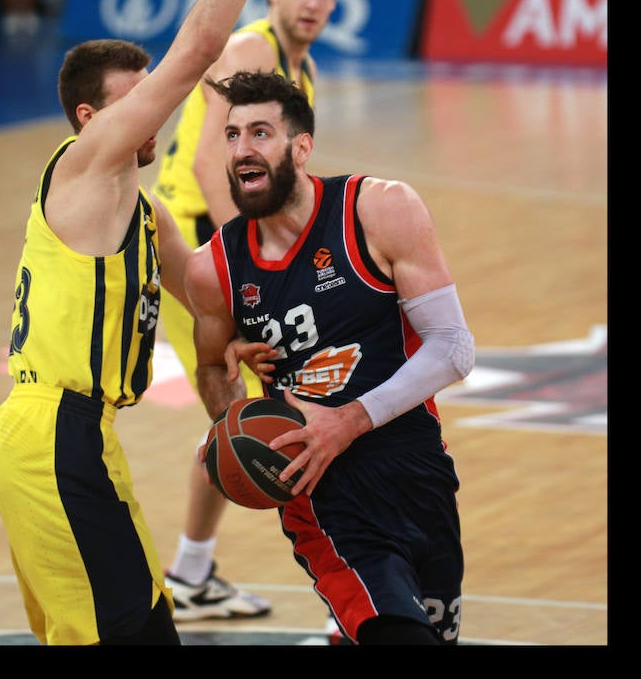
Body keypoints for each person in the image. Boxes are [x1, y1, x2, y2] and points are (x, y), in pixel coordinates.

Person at [0, 0, 287, 647]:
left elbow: (203, 286)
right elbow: (196, 53)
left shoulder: (137, 209)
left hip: (82, 438)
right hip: (50, 434)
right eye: (138, 94)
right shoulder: (87, 164)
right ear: (92, 117)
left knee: (147, 629)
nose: (157, 103)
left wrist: (249, 346)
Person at [184, 70, 475, 646]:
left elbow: (453, 348)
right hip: (320, 489)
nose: (243, 149)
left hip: (415, 464)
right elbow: (213, 370)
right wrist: (233, 404)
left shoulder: (378, 209)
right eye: (232, 134)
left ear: (301, 146)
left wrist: (350, 420)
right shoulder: (211, 268)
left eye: (260, 133)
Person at [152, 0, 345, 621]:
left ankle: (191, 574)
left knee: (246, 417)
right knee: (269, 414)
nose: (312, 1)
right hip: (195, 250)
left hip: (233, 251)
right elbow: (211, 162)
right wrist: (254, 265)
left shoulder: (306, 70)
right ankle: (348, 583)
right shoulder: (247, 48)